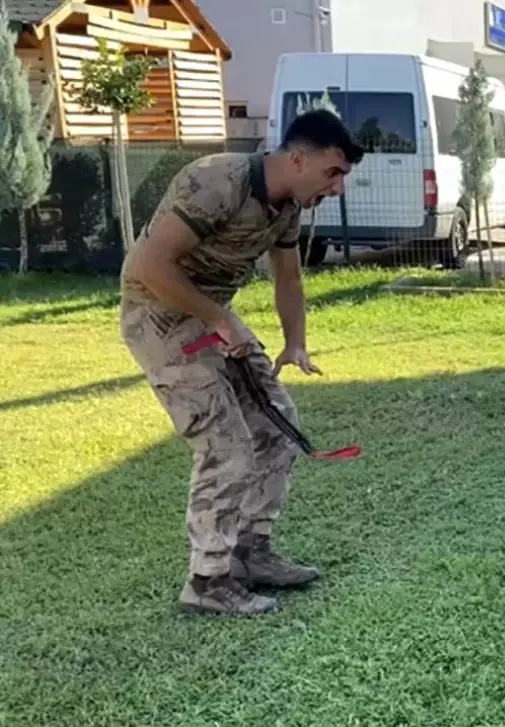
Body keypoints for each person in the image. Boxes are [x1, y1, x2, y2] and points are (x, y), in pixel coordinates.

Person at [119, 109, 365, 615]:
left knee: (278, 429)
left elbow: (289, 279)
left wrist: (295, 340)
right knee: (226, 444)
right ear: (298, 159)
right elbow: (149, 267)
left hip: (212, 314)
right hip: (159, 314)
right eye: (332, 173)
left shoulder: (289, 205)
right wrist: (218, 320)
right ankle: (207, 582)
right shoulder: (215, 181)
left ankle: (251, 552)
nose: (336, 188)